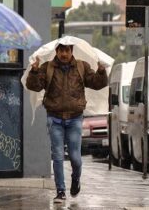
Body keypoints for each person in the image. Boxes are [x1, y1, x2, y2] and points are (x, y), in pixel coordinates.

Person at [26, 38, 108, 203]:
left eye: (67, 50)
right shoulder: (47, 67)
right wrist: (34, 71)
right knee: (57, 156)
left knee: (75, 158)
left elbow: (97, 83)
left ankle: (75, 178)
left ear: (72, 51)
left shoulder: (81, 66)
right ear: (56, 51)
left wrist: (100, 71)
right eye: (61, 50)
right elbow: (33, 86)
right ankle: (60, 191)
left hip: (75, 118)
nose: (64, 54)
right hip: (54, 118)